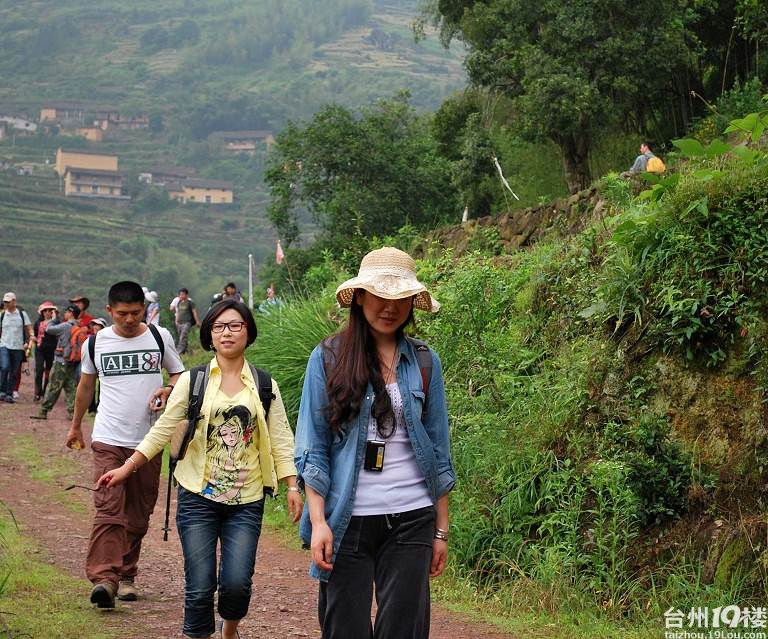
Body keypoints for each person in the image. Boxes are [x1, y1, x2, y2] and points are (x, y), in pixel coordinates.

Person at [97, 299, 303, 638]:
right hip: (197, 497)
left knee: (237, 584)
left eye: (235, 325)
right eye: (219, 326)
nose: (227, 332)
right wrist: (128, 467)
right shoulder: (193, 380)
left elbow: (281, 438)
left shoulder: (265, 385)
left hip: (247, 500)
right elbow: (164, 428)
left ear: (247, 331)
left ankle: (229, 628)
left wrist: (292, 485)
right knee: (200, 585)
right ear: (209, 333)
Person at [295, 247, 454, 639]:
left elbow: (439, 451)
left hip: (413, 518)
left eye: (400, 298)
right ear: (361, 297)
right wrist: (318, 523)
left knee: (404, 630)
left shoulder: (424, 360)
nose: (390, 307)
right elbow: (312, 448)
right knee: (344, 628)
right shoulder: (328, 357)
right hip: (346, 519)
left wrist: (441, 531)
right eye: (380, 295)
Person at [65, 281, 185, 609]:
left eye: (135, 313)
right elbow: (86, 387)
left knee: (139, 512)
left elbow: (179, 376)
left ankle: (127, 574)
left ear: (144, 309)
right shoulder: (96, 343)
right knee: (108, 507)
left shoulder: (160, 337)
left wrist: (168, 390)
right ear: (109, 311)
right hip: (107, 438)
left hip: (149, 441)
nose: (129, 320)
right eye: (122, 314)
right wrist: (76, 426)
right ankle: (105, 579)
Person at [31, 304, 83, 420]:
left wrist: (53, 319)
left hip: (60, 362)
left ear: (70, 313)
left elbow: (48, 329)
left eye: (66, 312)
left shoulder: (65, 326)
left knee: (53, 387)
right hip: (71, 362)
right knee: (71, 389)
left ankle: (43, 411)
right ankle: (72, 414)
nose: (64, 314)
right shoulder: (78, 326)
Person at [0, 292, 34, 404]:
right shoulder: (3, 315)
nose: (6, 304)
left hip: (18, 346)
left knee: (14, 371)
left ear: (14, 301)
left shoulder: (22, 314)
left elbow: (29, 328)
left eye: (8, 302)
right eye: (5, 302)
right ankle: (2, 391)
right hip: (4, 345)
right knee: (4, 367)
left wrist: (31, 336)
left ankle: (9, 394)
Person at [33, 301, 58, 402]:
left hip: (51, 350)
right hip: (39, 349)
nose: (48, 312)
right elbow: (35, 334)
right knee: (39, 370)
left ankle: (45, 392)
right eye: (45, 310)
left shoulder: (56, 323)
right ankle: (37, 392)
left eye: (50, 310)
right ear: (42, 312)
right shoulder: (38, 323)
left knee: (49, 372)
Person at [87, 318, 107, 414]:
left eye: (97, 325)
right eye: (94, 324)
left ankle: (99, 407)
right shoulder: (89, 339)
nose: (95, 327)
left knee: (101, 387)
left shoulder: (106, 340)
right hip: (91, 365)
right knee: (90, 386)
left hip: (102, 366)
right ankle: (91, 409)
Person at [174, 288, 200, 355]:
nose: (181, 296)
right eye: (180, 294)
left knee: (183, 336)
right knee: (181, 337)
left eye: (183, 294)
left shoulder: (190, 303)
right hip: (179, 322)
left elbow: (194, 312)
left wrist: (197, 321)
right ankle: (185, 351)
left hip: (187, 322)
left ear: (186, 295)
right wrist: (176, 321)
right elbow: (177, 312)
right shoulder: (179, 302)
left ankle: (179, 352)